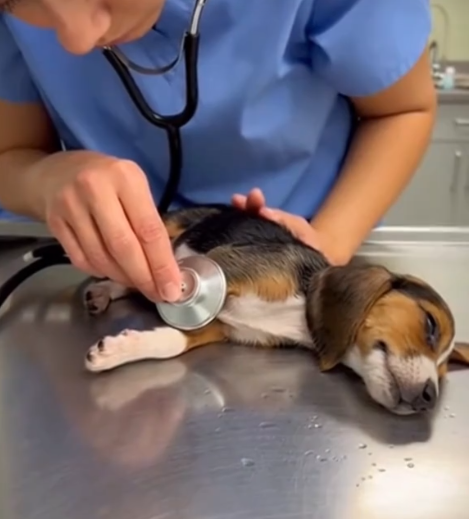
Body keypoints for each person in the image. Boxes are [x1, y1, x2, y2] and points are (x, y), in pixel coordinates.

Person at [0, 0, 436, 304]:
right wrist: (46, 181)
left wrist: (323, 250)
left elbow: (402, 110)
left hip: (301, 259)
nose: (78, 39)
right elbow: (11, 154)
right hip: (109, 282)